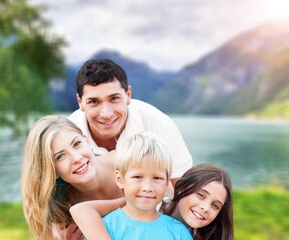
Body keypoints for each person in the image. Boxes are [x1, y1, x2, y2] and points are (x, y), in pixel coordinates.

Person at [68, 59, 192, 187]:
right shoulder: (67, 134)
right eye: (94, 102)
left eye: (114, 99)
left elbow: (183, 189)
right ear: (80, 102)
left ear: (128, 95)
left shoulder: (160, 125)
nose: (106, 114)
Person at [70, 131, 193, 240]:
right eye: (138, 177)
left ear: (167, 182)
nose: (147, 188)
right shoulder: (104, 228)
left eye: (157, 178)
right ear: (120, 180)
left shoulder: (178, 232)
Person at [21, 115, 124, 240]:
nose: (76, 158)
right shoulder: (61, 212)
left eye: (77, 144)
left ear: (87, 141)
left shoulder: (129, 163)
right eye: (60, 156)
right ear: (52, 170)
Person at [70, 163, 233, 240]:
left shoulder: (199, 235)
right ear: (182, 188)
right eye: (201, 195)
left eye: (215, 205)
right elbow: (81, 210)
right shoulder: (149, 202)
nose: (205, 207)